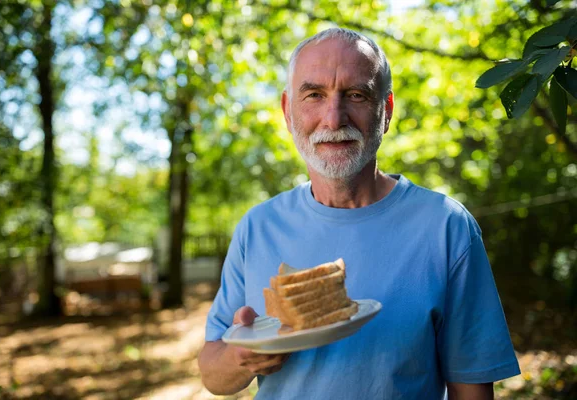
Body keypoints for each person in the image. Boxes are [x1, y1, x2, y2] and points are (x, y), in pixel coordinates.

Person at [198, 28, 520, 399]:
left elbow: (472, 389)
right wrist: (241, 359)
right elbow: (211, 371)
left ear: (387, 112)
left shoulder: (446, 227)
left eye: (356, 95)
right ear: (288, 112)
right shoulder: (257, 227)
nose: (334, 119)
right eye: (314, 95)